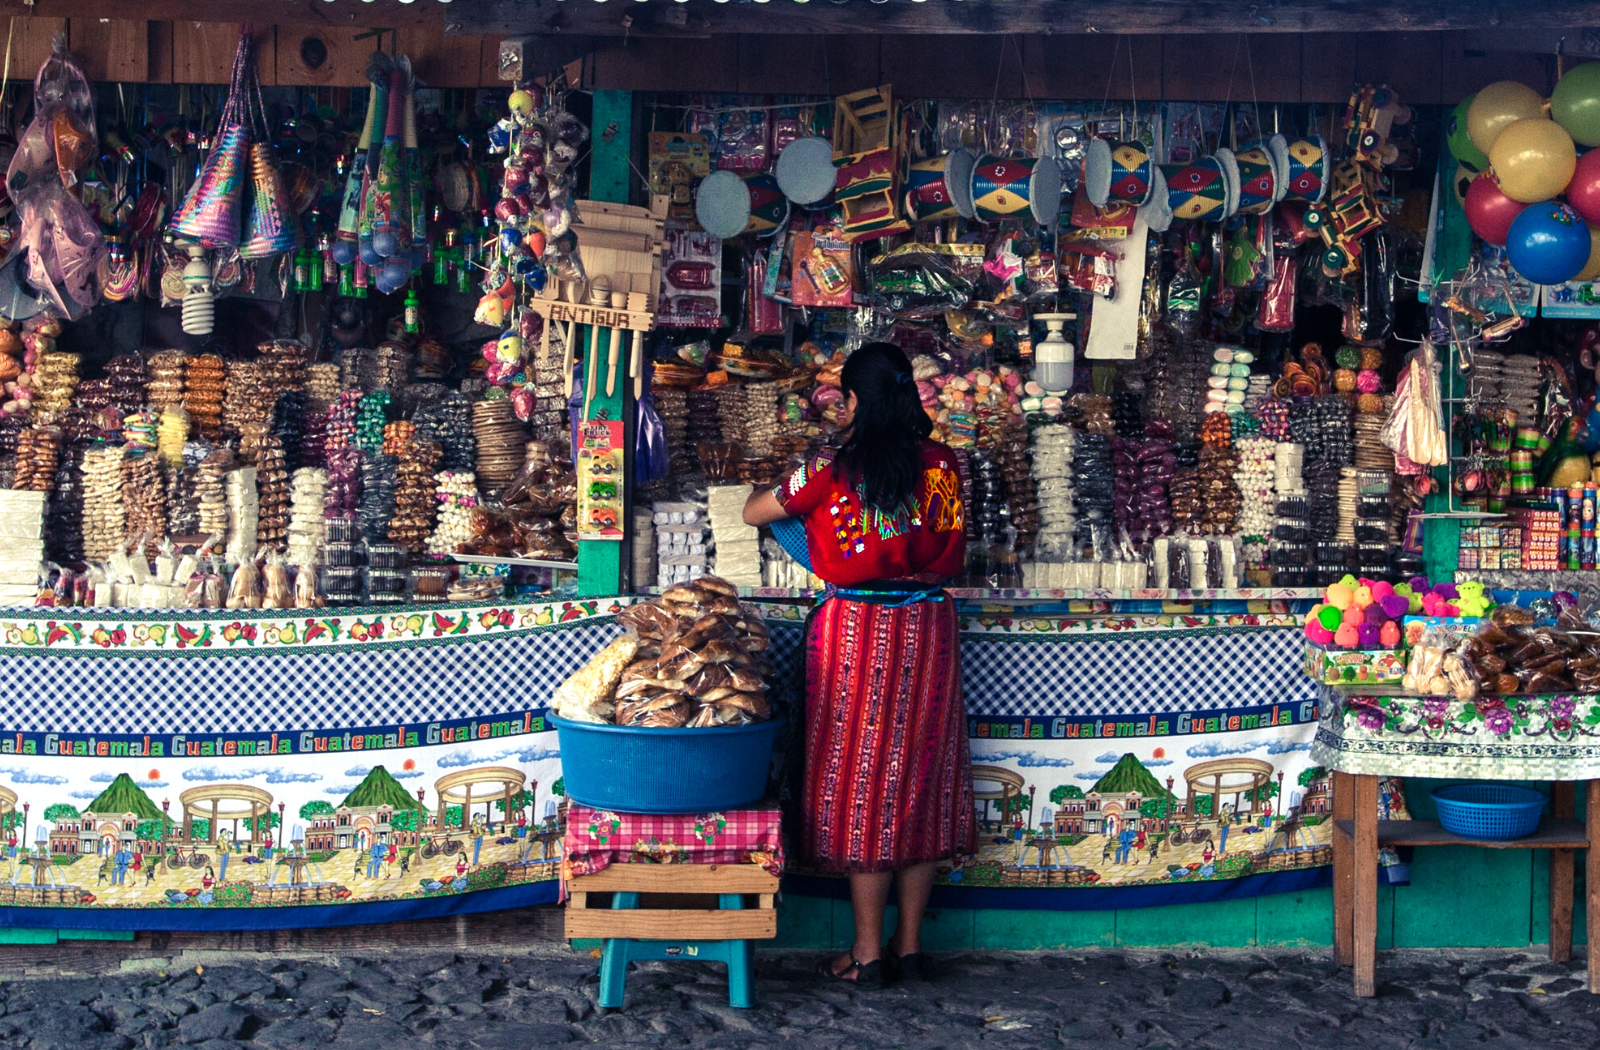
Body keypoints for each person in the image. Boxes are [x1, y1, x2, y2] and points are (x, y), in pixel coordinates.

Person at [743, 342, 972, 990]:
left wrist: (811, 538)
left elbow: (754, 512)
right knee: (922, 778)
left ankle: (867, 953)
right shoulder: (943, 466)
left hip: (859, 636)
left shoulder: (832, 466)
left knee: (864, 783)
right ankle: (910, 946)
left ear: (854, 400)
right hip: (927, 629)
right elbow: (955, 545)